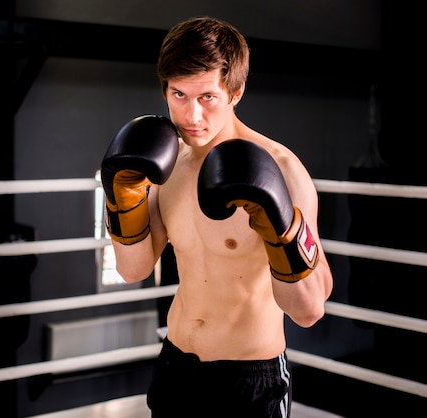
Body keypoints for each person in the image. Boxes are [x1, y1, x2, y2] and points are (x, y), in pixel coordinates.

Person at [100, 16, 333, 417]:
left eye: (207, 97)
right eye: (178, 95)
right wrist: (123, 196)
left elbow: (309, 310)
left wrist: (281, 228)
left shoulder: (281, 170)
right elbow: (134, 269)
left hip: (249, 381)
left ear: (235, 91)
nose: (191, 116)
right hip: (176, 366)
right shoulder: (163, 166)